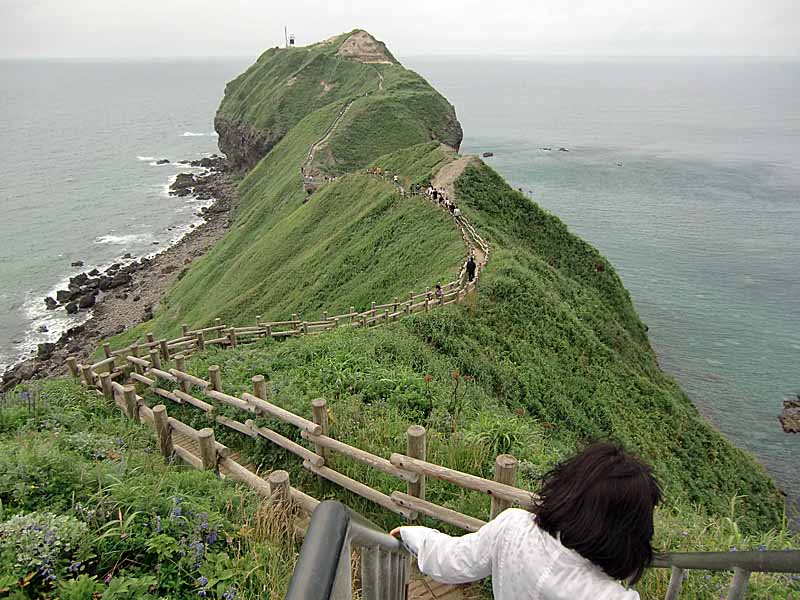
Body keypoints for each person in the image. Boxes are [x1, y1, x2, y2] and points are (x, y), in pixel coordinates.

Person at [391, 442, 661, 600]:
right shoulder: (609, 596)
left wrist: (413, 535)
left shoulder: (514, 527)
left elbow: (454, 560)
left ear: (567, 488)